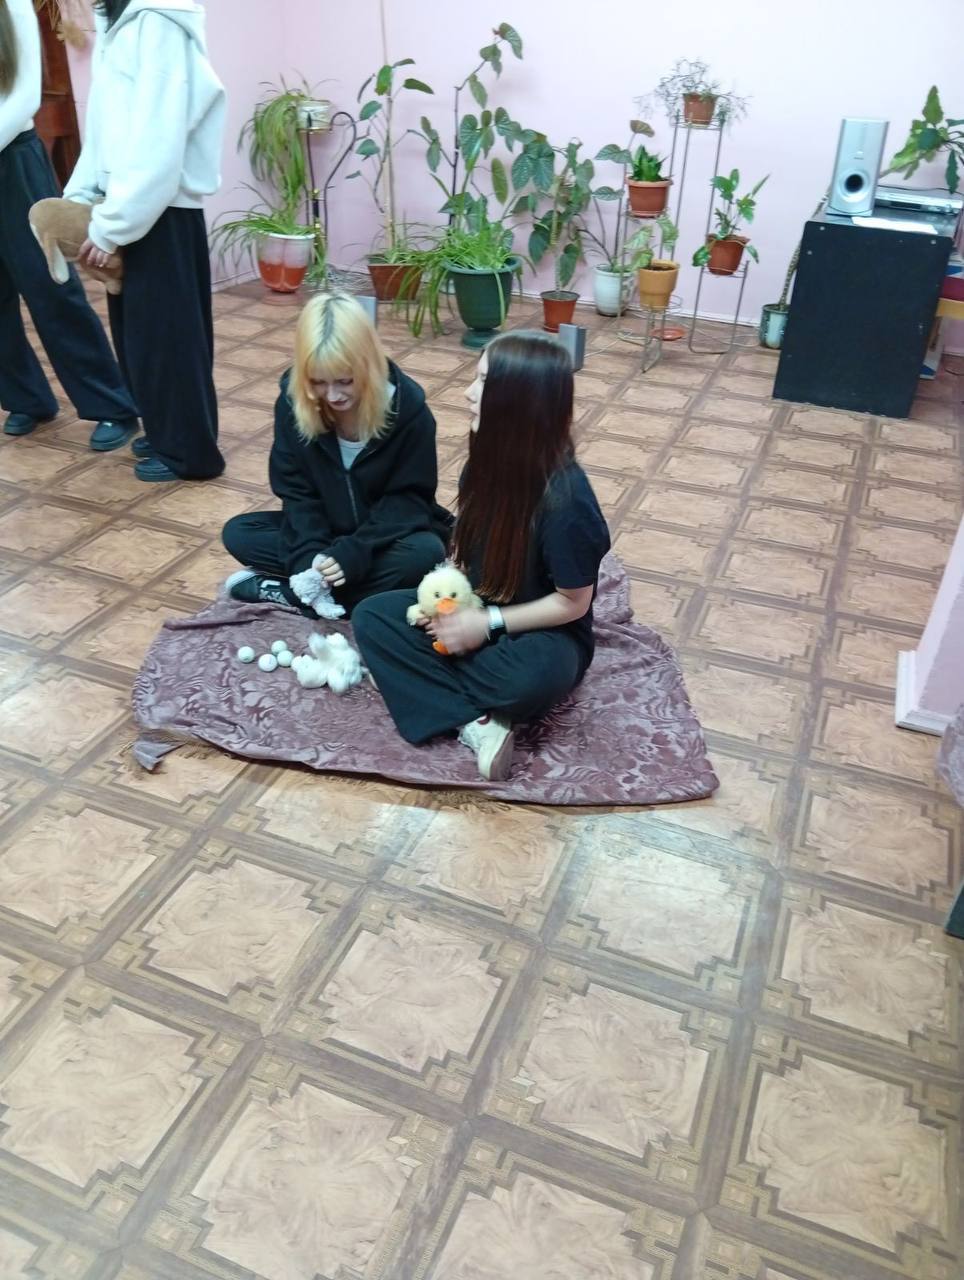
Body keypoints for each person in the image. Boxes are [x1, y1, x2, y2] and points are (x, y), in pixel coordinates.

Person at [352, 331, 612, 782]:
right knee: (371, 617)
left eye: (484, 381)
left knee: (527, 682)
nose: (468, 393)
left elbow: (574, 602)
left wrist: (485, 624)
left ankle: (418, 682)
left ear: (519, 400)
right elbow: (466, 560)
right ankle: (477, 722)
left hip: (542, 634)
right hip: (480, 605)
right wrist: (450, 604)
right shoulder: (483, 465)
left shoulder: (568, 500)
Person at [66, 0, 226, 482]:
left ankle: (190, 453)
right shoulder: (118, 20)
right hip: (134, 205)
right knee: (142, 342)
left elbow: (160, 138)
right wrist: (83, 196)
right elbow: (105, 125)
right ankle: (165, 432)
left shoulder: (159, 19)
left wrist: (112, 225)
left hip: (162, 210)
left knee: (170, 342)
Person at [222, 292, 452, 615]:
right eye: (318, 382)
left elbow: (409, 501)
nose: (333, 396)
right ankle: (332, 591)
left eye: (345, 381)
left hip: (381, 539)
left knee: (425, 553)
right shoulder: (291, 405)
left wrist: (354, 553)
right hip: (325, 533)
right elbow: (297, 493)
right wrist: (310, 558)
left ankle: (293, 595)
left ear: (368, 365)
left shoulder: (409, 411)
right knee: (239, 533)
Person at [0, 0, 138, 448]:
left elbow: (25, 97)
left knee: (50, 286)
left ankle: (111, 405)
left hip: (14, 161)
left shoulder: (14, 6)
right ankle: (25, 398)